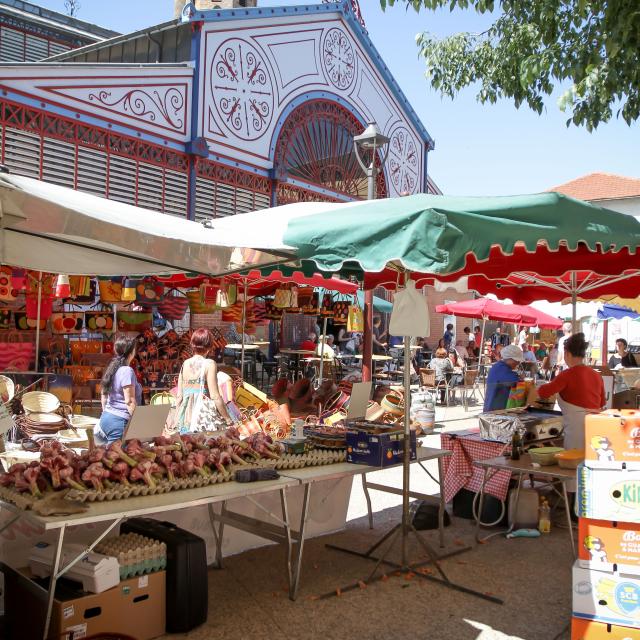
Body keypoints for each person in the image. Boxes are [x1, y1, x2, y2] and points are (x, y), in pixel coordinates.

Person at [536, 333, 606, 451]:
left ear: (567, 353)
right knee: (592, 459)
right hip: (596, 423)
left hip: (576, 428)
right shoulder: (596, 375)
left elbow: (543, 392)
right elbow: (601, 402)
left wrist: (538, 385)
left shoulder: (566, 375)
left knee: (574, 462)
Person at [175, 328, 233, 433]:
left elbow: (179, 396)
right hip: (201, 417)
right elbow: (215, 396)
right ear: (210, 346)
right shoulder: (209, 364)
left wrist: (177, 419)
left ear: (192, 345)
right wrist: (228, 419)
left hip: (185, 418)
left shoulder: (185, 363)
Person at [97, 336, 141, 443]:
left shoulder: (112, 368)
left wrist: (106, 413)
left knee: (107, 455)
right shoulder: (127, 371)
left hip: (106, 419)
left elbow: (104, 394)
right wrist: (139, 422)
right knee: (118, 457)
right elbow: (129, 401)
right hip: (119, 422)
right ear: (131, 352)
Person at [483, 344, 524, 412]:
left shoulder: (498, 366)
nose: (518, 363)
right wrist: (522, 378)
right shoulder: (502, 369)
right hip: (496, 411)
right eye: (517, 360)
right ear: (510, 359)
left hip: (493, 408)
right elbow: (518, 383)